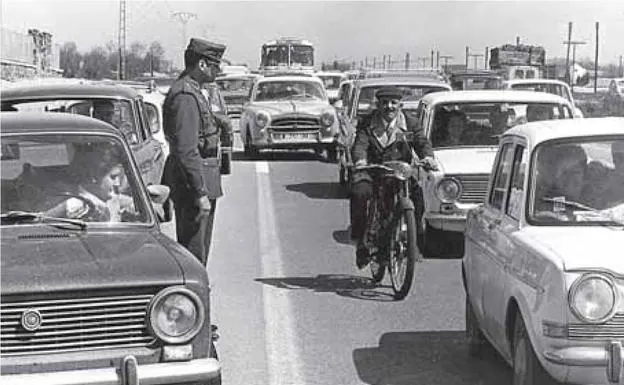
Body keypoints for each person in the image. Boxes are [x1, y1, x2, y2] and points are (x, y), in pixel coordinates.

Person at [350, 86, 438, 268]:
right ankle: (360, 242)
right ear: (378, 105)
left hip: (400, 173)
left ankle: (414, 244)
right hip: (373, 171)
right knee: (360, 193)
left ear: (400, 105)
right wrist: (360, 160)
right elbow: (360, 144)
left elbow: (422, 143)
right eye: (384, 103)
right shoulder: (367, 123)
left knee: (417, 197)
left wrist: (428, 158)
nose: (389, 107)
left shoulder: (411, 123)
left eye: (393, 103)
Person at [161, 37, 226, 266]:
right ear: (201, 64)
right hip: (192, 186)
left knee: (200, 251)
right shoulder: (186, 96)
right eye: (215, 65)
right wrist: (200, 193)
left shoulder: (194, 90)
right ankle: (194, 299)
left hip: (202, 180)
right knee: (194, 255)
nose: (218, 70)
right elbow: (187, 150)